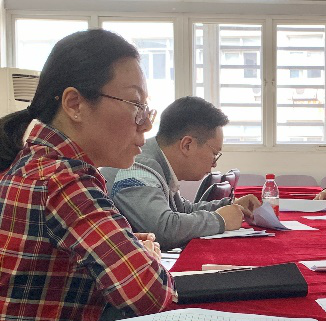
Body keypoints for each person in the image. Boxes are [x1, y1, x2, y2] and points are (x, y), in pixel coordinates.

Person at [0, 29, 175, 321]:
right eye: (135, 105)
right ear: (75, 104)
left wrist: (134, 251)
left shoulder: (39, 164)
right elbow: (147, 293)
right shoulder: (62, 178)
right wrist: (147, 257)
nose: (144, 126)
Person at [101, 96, 260, 250]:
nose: (215, 163)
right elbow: (163, 229)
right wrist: (220, 220)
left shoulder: (159, 164)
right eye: (214, 154)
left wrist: (231, 206)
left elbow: (183, 210)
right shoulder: (137, 167)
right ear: (187, 145)